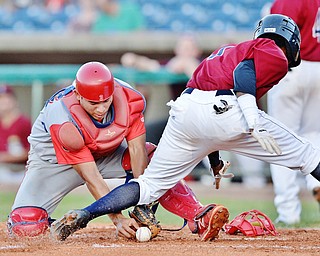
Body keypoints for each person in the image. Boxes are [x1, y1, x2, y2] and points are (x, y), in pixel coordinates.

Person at [50, 14, 320, 242]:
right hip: (228, 109)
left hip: (186, 110)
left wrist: (213, 158)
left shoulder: (224, 52)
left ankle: (85, 213)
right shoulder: (273, 51)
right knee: (308, 155)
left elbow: (206, 104)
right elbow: (243, 76)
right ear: (291, 41)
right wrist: (252, 117)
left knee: (149, 185)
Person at [7, 61, 230, 242]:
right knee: (26, 224)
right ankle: (57, 223)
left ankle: (198, 215)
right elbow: (91, 176)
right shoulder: (64, 122)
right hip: (53, 163)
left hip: (104, 154)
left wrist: (143, 203)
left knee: (154, 157)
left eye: (106, 100)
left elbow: (137, 151)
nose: (102, 108)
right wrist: (118, 219)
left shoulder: (130, 99)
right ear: (79, 95)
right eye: (94, 103)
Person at [267, 0, 320, 225]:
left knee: (278, 139)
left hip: (293, 68)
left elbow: (277, 38)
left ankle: (289, 211)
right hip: (318, 70)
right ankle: (315, 181)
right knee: (313, 133)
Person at [0, 84, 32, 184]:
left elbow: (32, 151)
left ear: (14, 100)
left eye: (7, 98)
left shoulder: (24, 122)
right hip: (2, 170)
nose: (4, 102)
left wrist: (7, 157)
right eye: (1, 99)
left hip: (21, 171)